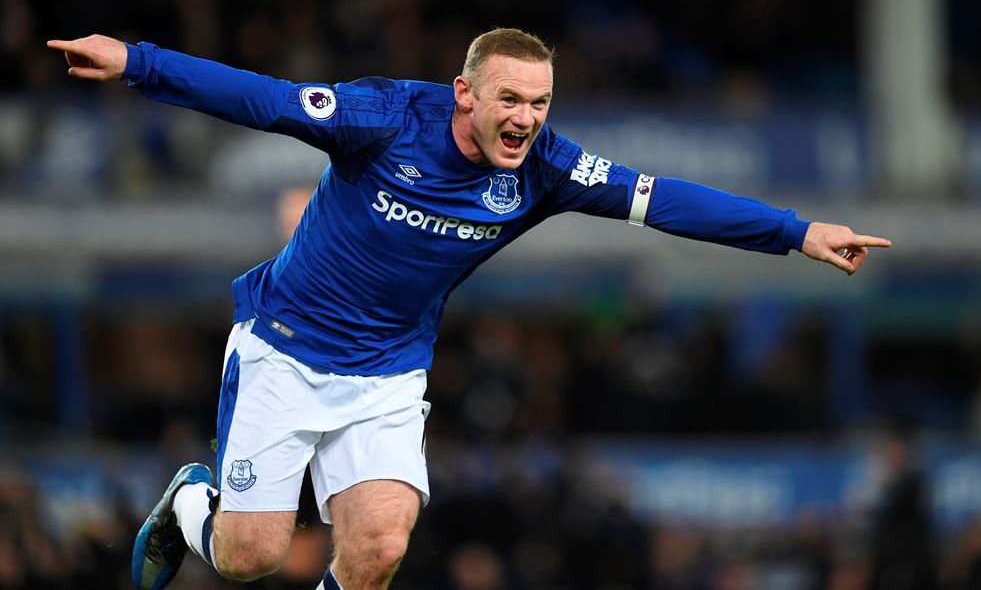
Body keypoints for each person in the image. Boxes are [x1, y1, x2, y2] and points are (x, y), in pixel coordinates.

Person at [47, 29, 891, 590]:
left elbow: (662, 197)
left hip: (387, 372)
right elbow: (264, 99)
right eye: (510, 100)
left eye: (540, 103)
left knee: (377, 549)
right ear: (465, 93)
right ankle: (191, 501)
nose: (525, 119)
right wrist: (137, 60)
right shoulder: (384, 117)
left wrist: (795, 231)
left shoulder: (546, 169)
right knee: (248, 558)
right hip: (286, 348)